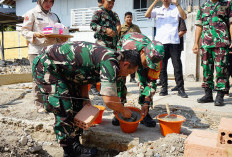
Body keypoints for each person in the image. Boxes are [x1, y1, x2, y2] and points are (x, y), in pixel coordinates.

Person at [33, 41, 149, 157]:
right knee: (63, 105)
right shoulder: (110, 62)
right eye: (129, 72)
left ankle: (75, 143)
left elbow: (84, 75)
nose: (127, 75)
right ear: (125, 64)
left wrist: (84, 98)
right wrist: (123, 110)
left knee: (79, 104)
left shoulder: (114, 59)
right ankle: (69, 149)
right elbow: (108, 98)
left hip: (65, 71)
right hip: (48, 65)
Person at [21, 0, 67, 112]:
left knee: (53, 77)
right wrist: (35, 34)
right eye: (45, 1)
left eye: (51, 2)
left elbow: (59, 32)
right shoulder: (31, 13)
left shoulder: (54, 16)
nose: (48, 4)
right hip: (37, 51)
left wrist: (63, 38)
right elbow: (24, 31)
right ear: (39, 1)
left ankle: (52, 103)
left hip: (52, 51)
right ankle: (39, 104)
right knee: (38, 78)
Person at [113, 32, 164, 127]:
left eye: (150, 64)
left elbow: (151, 81)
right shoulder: (128, 48)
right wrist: (118, 106)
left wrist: (146, 102)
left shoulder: (156, 59)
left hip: (141, 54)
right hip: (126, 45)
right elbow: (118, 75)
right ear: (143, 52)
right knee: (120, 79)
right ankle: (119, 110)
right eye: (146, 62)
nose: (147, 65)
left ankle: (144, 113)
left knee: (145, 81)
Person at [145, 0, 188, 98]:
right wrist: (155, 2)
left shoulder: (175, 9)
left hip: (174, 42)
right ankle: (164, 89)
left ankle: (181, 89)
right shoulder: (157, 9)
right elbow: (146, 15)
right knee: (162, 67)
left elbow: (184, 16)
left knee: (177, 66)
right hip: (160, 43)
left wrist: (177, 4)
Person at [193, 0, 232, 106]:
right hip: (206, 44)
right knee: (206, 69)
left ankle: (220, 96)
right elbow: (199, 26)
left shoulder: (227, 4)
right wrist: (196, 43)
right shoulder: (203, 6)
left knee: (221, 69)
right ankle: (208, 94)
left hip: (221, 42)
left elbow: (231, 22)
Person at [90, 0, 121, 95]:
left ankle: (107, 88)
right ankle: (93, 86)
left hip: (113, 44)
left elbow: (118, 25)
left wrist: (117, 30)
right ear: (103, 1)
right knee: (98, 64)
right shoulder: (98, 12)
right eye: (109, 2)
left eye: (112, 3)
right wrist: (105, 30)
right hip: (102, 43)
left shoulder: (114, 14)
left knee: (110, 65)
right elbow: (92, 25)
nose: (111, 5)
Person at [120, 11, 142, 83]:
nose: (129, 18)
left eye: (130, 17)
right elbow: (118, 37)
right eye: (127, 17)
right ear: (124, 18)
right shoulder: (121, 27)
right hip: (124, 48)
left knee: (133, 62)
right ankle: (123, 78)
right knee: (125, 63)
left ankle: (132, 78)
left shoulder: (136, 27)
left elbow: (140, 36)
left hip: (133, 48)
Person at [171, 17, 187, 91]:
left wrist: (172, 38)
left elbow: (183, 31)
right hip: (165, 45)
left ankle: (179, 85)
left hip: (176, 45)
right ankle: (163, 86)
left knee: (177, 66)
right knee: (163, 66)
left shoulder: (179, 17)